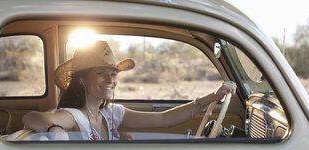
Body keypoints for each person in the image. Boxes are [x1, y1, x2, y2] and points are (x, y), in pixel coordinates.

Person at [23, 40, 237, 140]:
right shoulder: (75, 116)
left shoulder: (110, 113)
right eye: (100, 73)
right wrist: (54, 129)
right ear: (81, 80)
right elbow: (32, 117)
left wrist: (213, 97)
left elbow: (163, 120)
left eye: (113, 74)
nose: (110, 80)